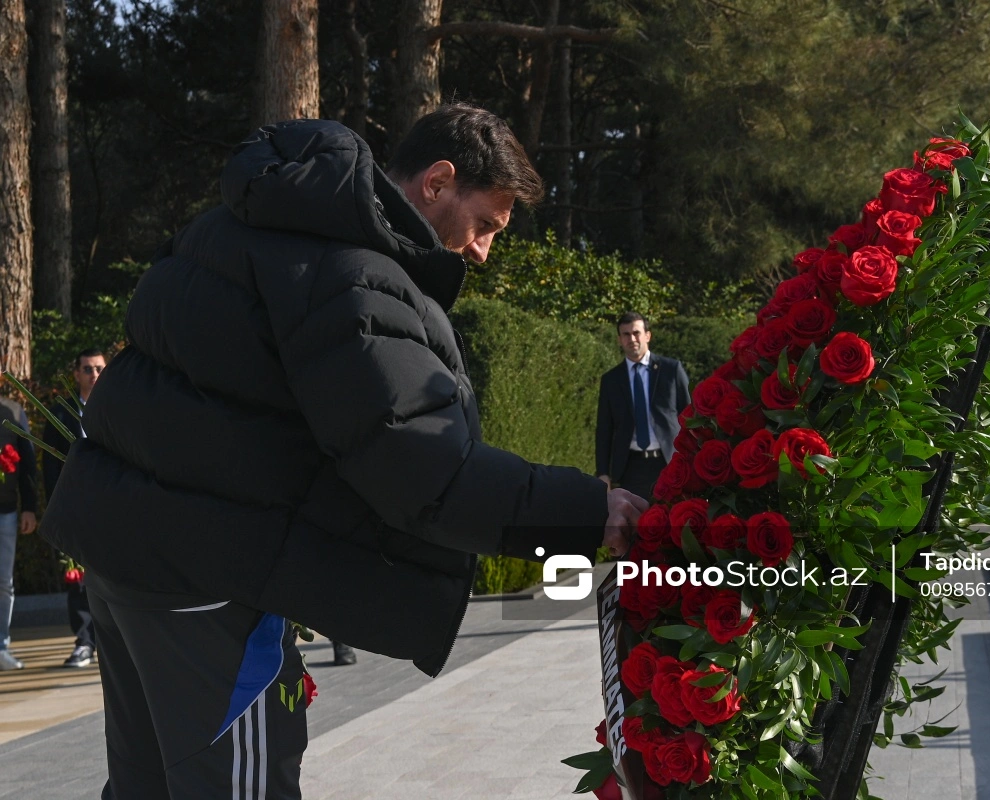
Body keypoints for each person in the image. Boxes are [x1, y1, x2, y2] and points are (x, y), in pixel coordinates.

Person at [40, 104, 645, 798]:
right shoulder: (354, 276)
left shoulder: (240, 224)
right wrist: (581, 510)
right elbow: (421, 464)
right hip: (210, 577)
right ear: (438, 182)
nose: (483, 251)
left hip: (127, 556)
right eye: (485, 225)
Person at [43, 348, 105, 668]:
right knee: (79, 578)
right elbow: (50, 466)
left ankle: (114, 642)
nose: (94, 375)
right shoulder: (61, 414)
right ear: (76, 374)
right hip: (76, 508)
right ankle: (84, 640)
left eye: (99, 369)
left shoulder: (121, 408)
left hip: (115, 507)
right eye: (87, 369)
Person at [595, 312, 691, 501]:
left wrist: (694, 459)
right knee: (637, 526)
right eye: (626, 334)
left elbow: (689, 416)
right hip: (631, 469)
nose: (632, 339)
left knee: (672, 522)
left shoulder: (671, 370)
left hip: (669, 462)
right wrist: (603, 473)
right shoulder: (611, 380)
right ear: (619, 340)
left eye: (636, 332)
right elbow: (604, 430)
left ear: (648, 335)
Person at [0, 393, 38, 671]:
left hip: (6, 510)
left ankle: (1, 646)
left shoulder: (13, 411)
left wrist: (30, 507)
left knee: (3, 582)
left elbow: (27, 463)